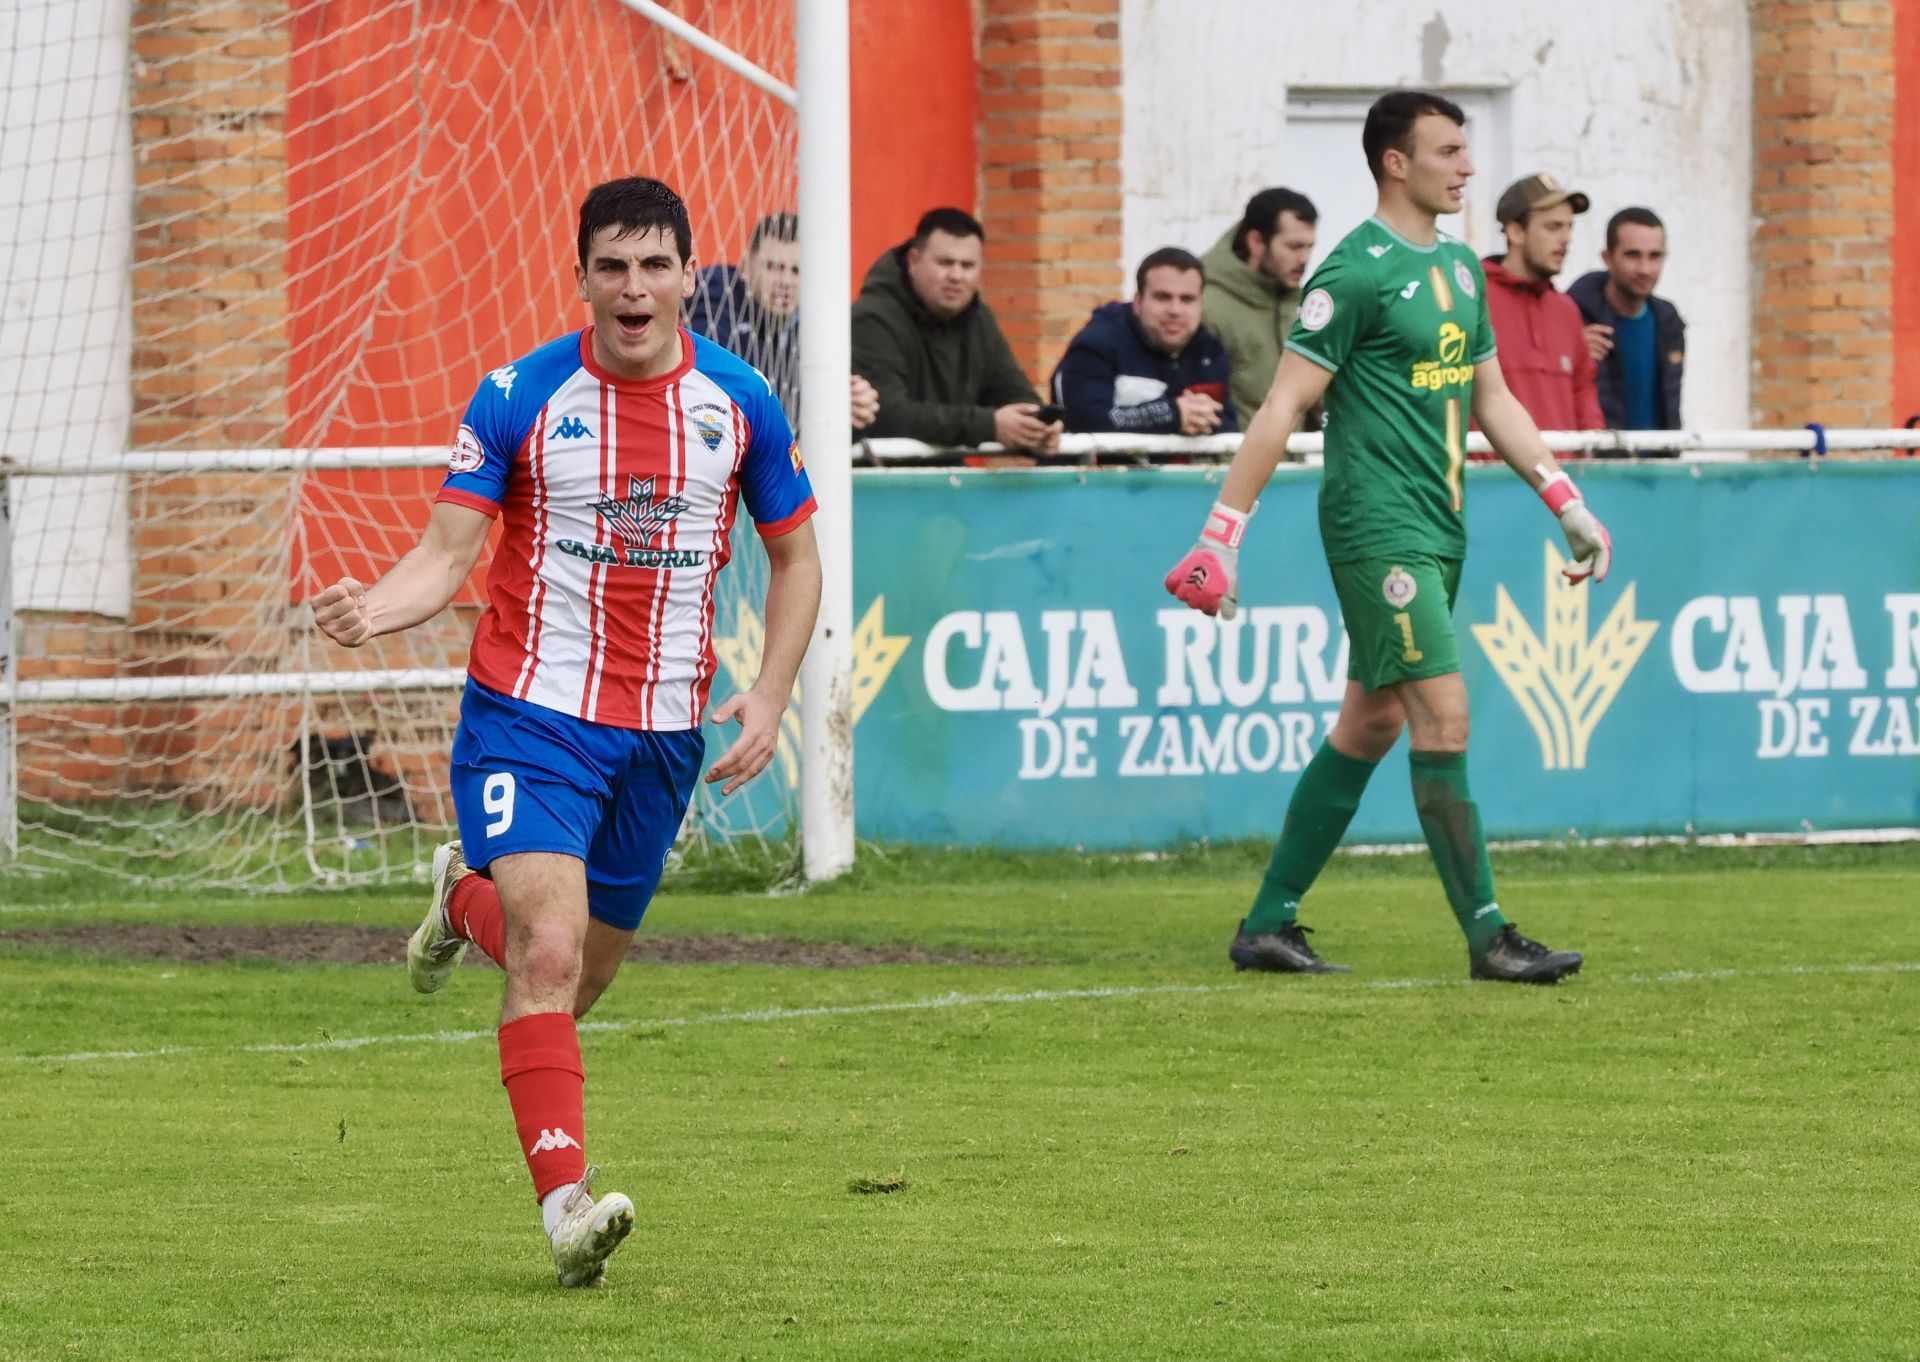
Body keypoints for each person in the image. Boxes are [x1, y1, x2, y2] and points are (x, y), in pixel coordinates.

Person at [309, 177, 822, 1287]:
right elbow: (447, 557)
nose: (633, 290)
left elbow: (796, 558)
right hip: (529, 717)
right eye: (612, 267)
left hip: (662, 737)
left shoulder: (742, 403)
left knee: (575, 983)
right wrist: (372, 610)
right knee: (544, 956)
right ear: (582, 274)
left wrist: (773, 694)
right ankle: (567, 1211)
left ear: (691, 274)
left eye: (654, 266)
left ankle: (459, 896)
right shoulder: (520, 395)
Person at [1163, 91, 1609, 984]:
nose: (1468, 167)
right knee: (1445, 715)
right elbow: (1285, 405)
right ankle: (1489, 937)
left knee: (1367, 724)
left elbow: (1493, 401)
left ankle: (1267, 923)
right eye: (1449, 151)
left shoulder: (1456, 270)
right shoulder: (1353, 273)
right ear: (1396, 162)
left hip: (1441, 529)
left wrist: (1565, 500)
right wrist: (1221, 535)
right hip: (1378, 529)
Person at [851, 206, 1060, 456]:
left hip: (948, 477)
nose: (956, 275)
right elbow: (888, 415)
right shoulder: (873, 317)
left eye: (968, 265)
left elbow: (1011, 389)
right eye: (945, 263)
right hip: (879, 480)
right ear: (913, 261)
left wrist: (1037, 426)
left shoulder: (979, 318)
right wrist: (988, 425)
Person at [686, 211, 883, 432]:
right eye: (773, 267)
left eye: (796, 271)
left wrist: (856, 403)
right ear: (744, 268)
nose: (785, 282)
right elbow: (725, 380)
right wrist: (824, 400)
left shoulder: (820, 318)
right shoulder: (716, 296)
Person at [1051, 247, 1236, 437]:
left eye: (1187, 299)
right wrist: (1171, 414)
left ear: (1201, 305)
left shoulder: (1210, 352)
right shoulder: (1098, 344)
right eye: (1163, 297)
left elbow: (1228, 427)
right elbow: (1086, 420)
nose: (1175, 310)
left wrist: (1201, 419)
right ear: (1138, 303)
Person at [1479, 174, 1605, 438]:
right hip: (1491, 477)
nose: (1566, 238)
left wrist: (1591, 459)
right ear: (1515, 232)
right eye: (1553, 227)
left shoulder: (1566, 309)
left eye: (1569, 227)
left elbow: (1584, 392)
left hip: (1559, 476)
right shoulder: (1472, 298)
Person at [1200, 187, 1318, 442]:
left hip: (1300, 473)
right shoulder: (1206, 306)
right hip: (1233, 469)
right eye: (1294, 247)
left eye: (1310, 246)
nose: (1305, 258)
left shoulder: (1304, 305)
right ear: (1256, 242)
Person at [1568, 207, 1686, 438]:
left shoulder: (1669, 321)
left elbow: (1669, 404)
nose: (1645, 269)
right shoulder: (1575, 317)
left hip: (1658, 467)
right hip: (1598, 465)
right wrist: (1571, 350)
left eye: (1655, 256)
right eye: (1633, 255)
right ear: (1608, 258)